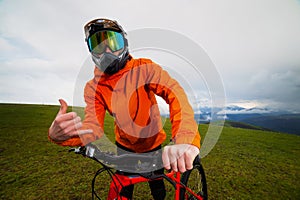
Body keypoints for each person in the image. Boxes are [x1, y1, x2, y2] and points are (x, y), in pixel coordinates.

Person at [48, 18, 200, 200]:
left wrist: (184, 138)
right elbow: (92, 127)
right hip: (124, 146)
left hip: (152, 143)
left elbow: (175, 93)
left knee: (157, 185)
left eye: (113, 42)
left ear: (125, 43)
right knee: (123, 187)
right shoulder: (92, 88)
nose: (108, 51)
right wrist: (61, 136)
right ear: (91, 52)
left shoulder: (145, 68)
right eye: (98, 45)